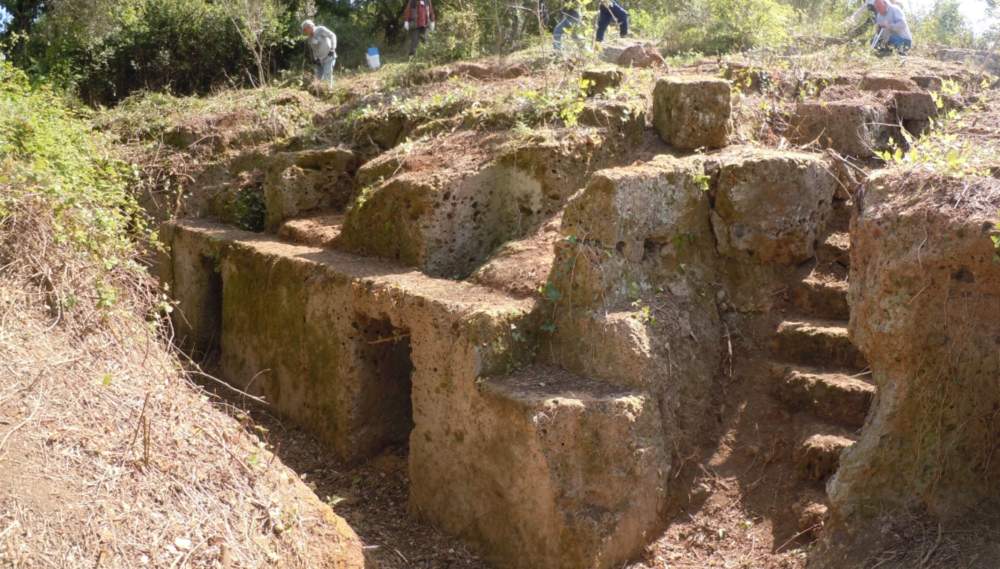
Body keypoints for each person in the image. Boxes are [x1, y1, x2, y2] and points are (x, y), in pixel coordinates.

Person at [302, 20, 337, 84]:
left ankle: (330, 91)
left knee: (327, 75)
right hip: (320, 60)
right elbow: (314, 50)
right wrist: (316, 59)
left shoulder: (320, 30)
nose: (305, 32)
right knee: (318, 79)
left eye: (305, 30)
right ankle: (319, 92)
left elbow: (332, 35)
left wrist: (333, 48)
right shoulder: (309, 38)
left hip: (329, 56)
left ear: (309, 27)